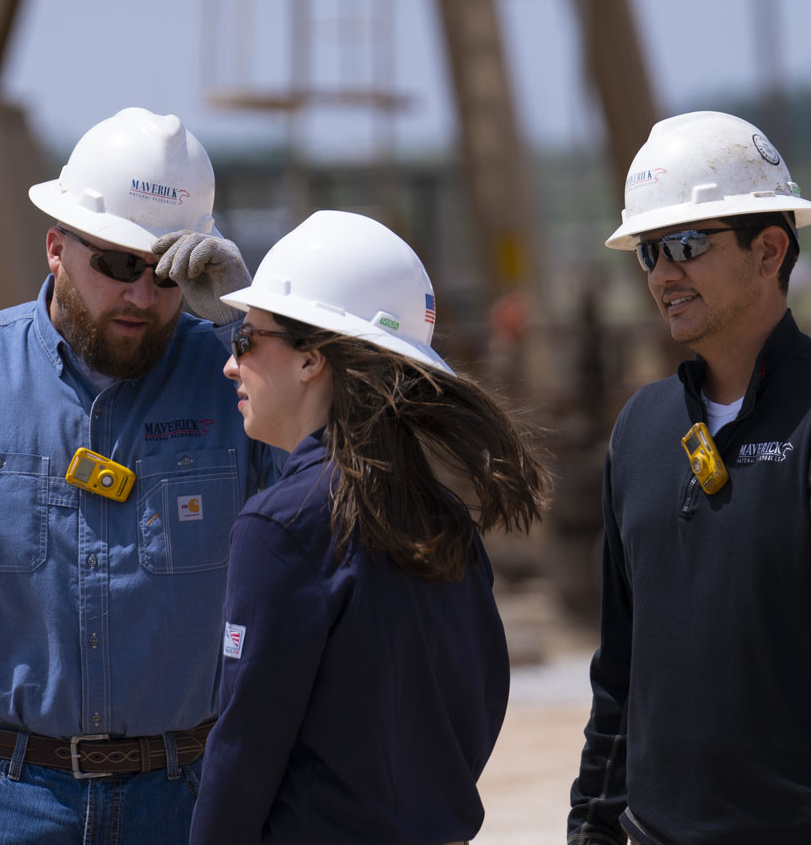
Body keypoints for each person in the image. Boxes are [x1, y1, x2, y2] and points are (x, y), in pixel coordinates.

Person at [0, 108, 281, 844]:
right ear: (55, 247)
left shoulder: (237, 384)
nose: (141, 295)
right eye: (117, 264)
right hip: (10, 801)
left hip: (189, 799)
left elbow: (336, 497)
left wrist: (256, 330)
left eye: (167, 272)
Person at [566, 112, 811, 845]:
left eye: (685, 245)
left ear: (769, 250)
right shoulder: (642, 434)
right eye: (648, 252)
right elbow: (620, 669)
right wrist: (591, 823)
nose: (662, 274)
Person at [187, 210, 552, 845]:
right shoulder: (441, 518)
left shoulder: (281, 527)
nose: (230, 363)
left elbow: (245, 741)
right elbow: (480, 706)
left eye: (246, 340)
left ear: (311, 361)